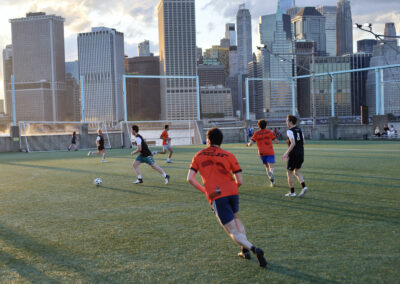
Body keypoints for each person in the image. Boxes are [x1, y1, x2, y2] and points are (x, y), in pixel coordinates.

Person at [187, 127, 267, 268]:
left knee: (232, 231)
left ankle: (253, 249)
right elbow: (240, 180)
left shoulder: (199, 155)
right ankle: (244, 250)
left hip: (217, 195)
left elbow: (190, 179)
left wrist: (204, 190)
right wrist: (232, 187)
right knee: (236, 219)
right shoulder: (229, 155)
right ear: (221, 141)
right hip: (232, 191)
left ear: (208, 140)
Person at [282, 115, 308, 198]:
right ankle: (304, 186)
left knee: (289, 173)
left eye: (287, 121)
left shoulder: (289, 131)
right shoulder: (300, 130)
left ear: (290, 122)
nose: (286, 122)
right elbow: (304, 142)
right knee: (296, 171)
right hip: (301, 153)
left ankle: (292, 192)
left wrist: (286, 153)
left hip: (293, 154)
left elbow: (293, 143)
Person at [247, 119, 279, 187]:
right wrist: (276, 141)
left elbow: (251, 143)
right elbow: (276, 141)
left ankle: (272, 182)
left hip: (261, 153)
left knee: (267, 167)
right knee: (271, 165)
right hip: (270, 151)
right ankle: (272, 173)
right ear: (266, 125)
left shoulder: (256, 133)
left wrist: (248, 144)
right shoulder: (269, 132)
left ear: (258, 126)